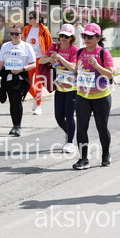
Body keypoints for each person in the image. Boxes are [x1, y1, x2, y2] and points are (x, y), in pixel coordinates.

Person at [72, 23, 115, 170]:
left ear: (98, 37)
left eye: (90, 36)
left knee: (102, 127)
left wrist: (97, 66)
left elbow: (110, 74)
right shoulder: (80, 52)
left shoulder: (103, 53)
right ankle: (83, 159)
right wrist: (74, 74)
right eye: (85, 36)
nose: (86, 39)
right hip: (82, 95)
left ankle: (106, 155)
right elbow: (77, 71)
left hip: (101, 96)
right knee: (81, 128)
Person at [40, 24, 78, 153]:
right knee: (58, 117)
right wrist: (50, 59)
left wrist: (60, 57)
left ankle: (70, 142)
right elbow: (41, 61)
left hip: (72, 88)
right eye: (61, 35)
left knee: (69, 115)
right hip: (60, 87)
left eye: (66, 36)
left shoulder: (74, 50)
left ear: (71, 37)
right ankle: (70, 133)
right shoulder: (55, 47)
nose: (63, 38)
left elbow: (73, 67)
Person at [0, 24, 36, 137]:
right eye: (12, 34)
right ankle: (14, 125)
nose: (14, 36)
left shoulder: (27, 46)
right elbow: (0, 62)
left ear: (22, 34)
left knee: (17, 100)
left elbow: (33, 64)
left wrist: (21, 69)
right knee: (12, 102)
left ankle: (18, 126)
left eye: (17, 33)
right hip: (8, 77)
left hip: (20, 78)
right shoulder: (5, 46)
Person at [22, 11, 53, 115]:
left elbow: (50, 45)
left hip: (40, 59)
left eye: (31, 18)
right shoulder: (26, 29)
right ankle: (36, 98)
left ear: (37, 19)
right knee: (26, 83)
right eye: (29, 17)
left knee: (38, 83)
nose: (29, 20)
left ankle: (39, 106)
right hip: (28, 60)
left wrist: (48, 58)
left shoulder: (44, 29)